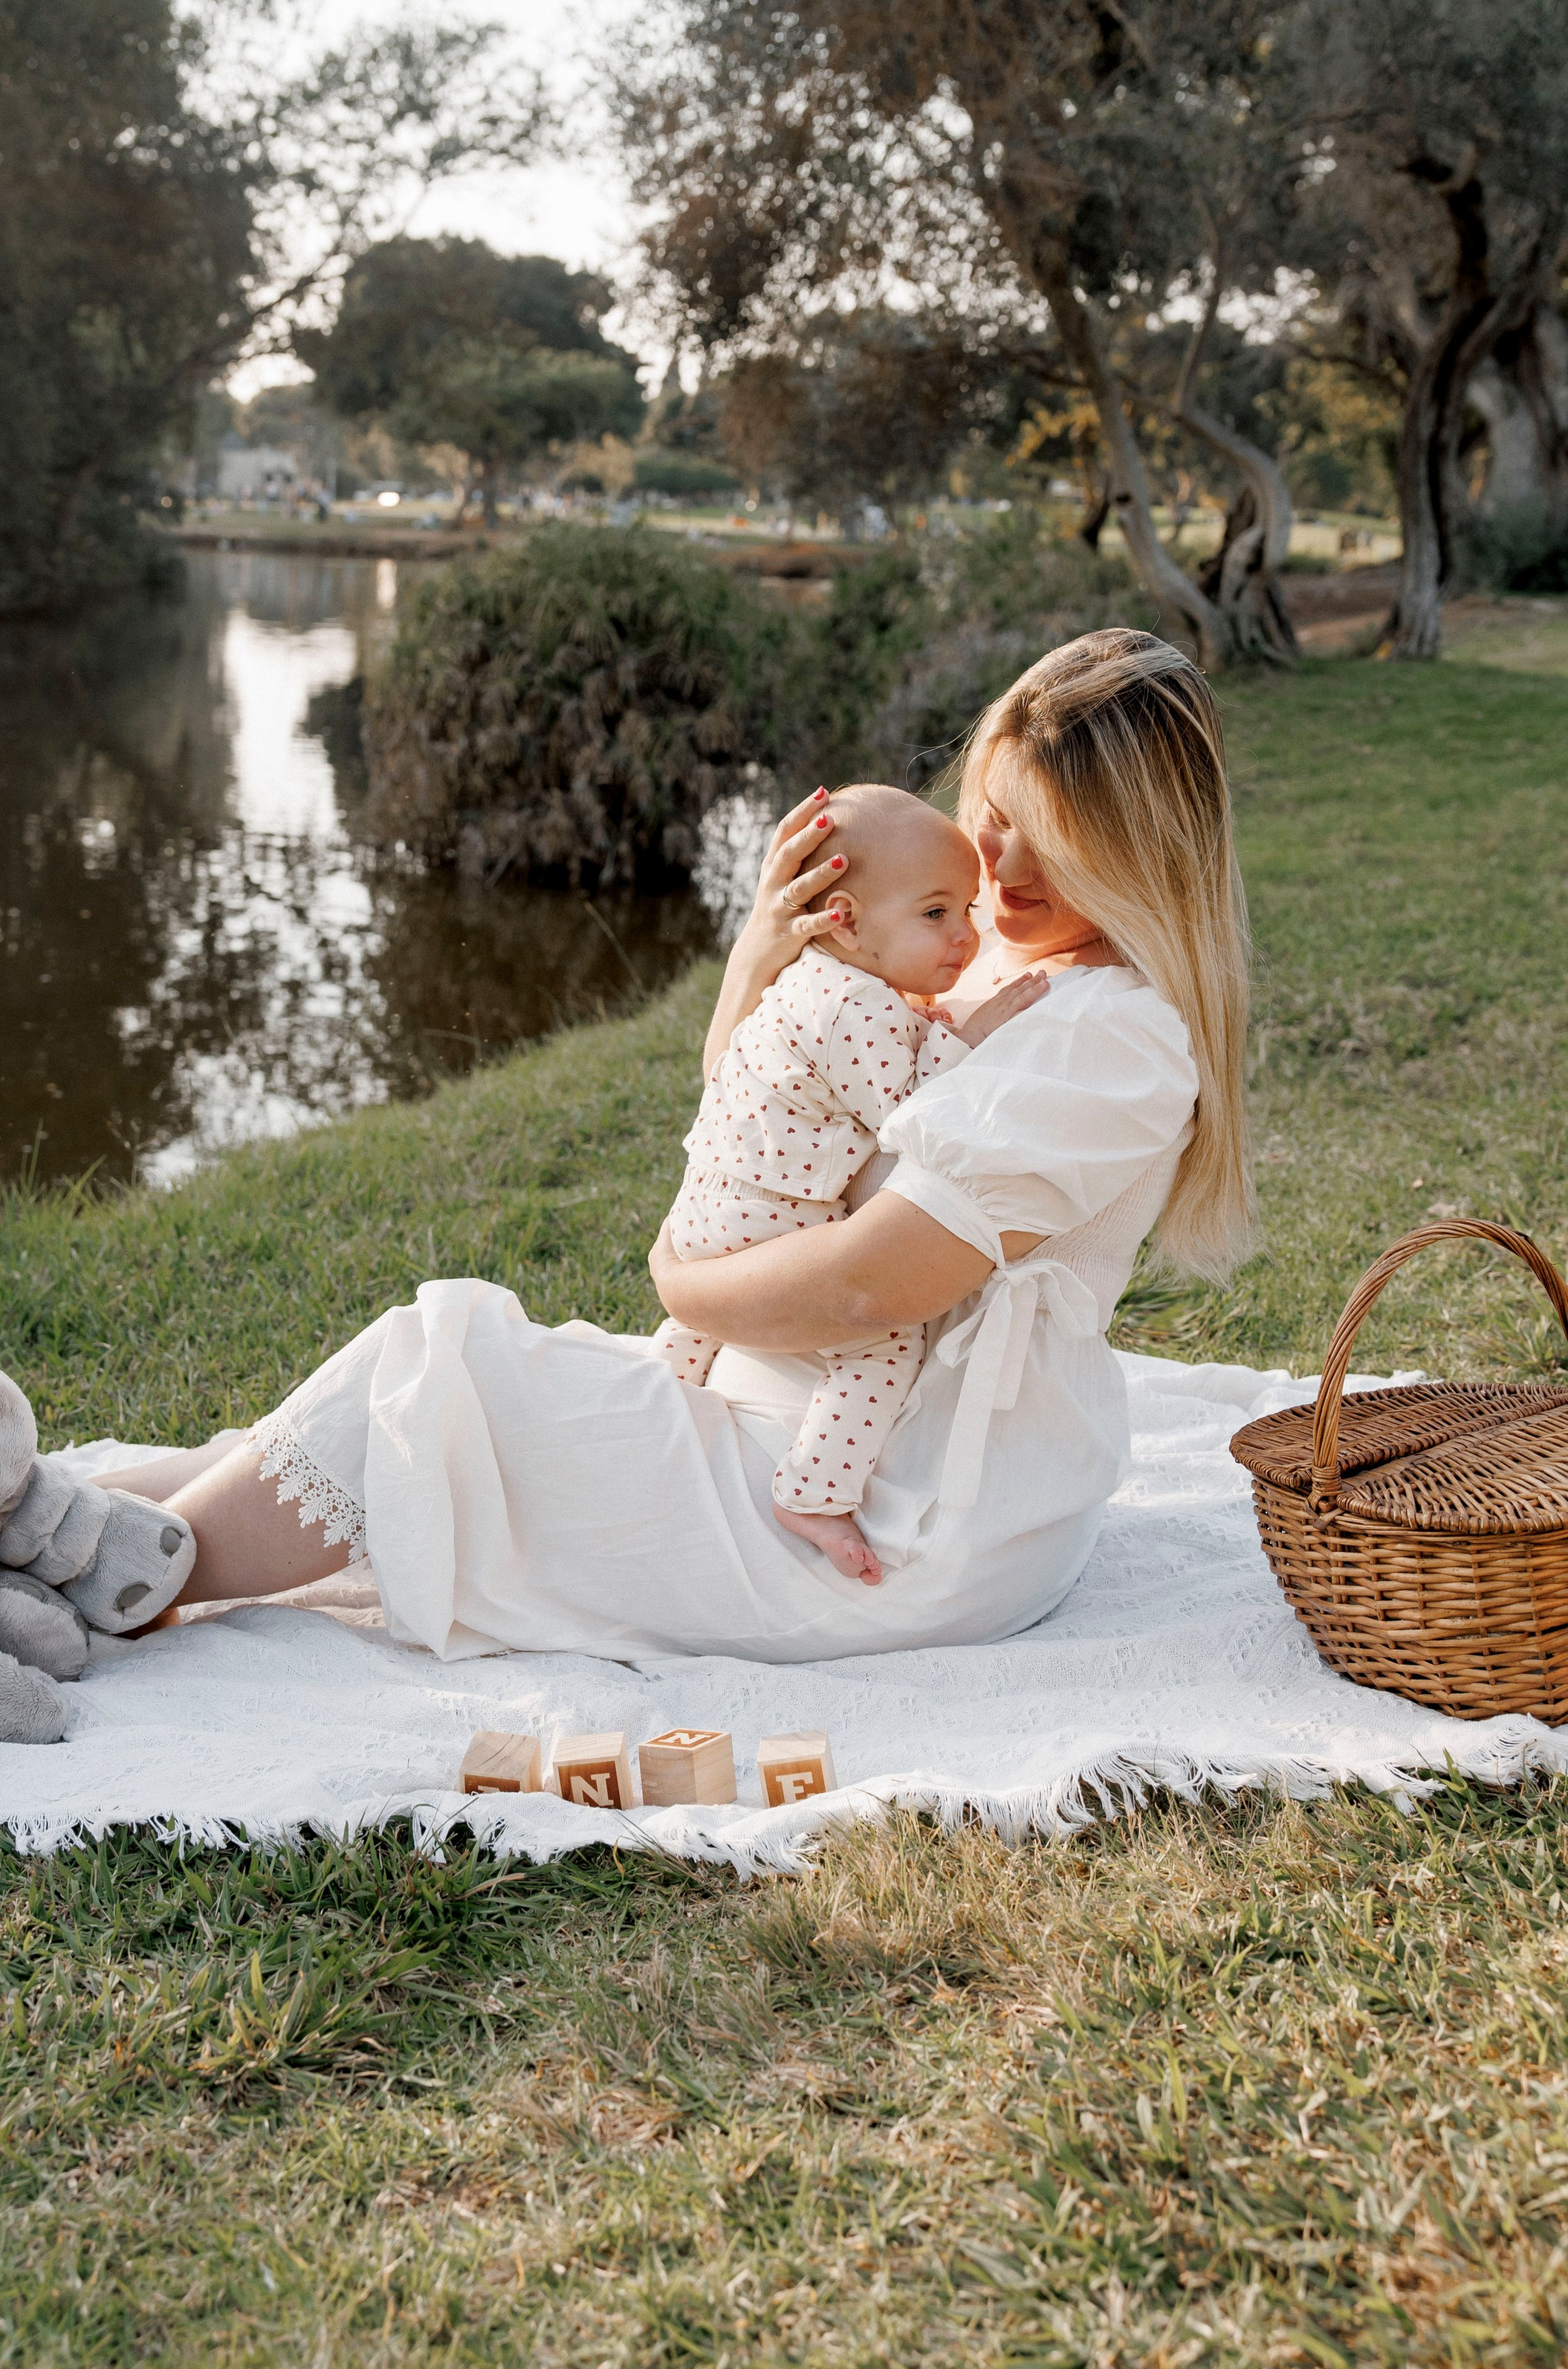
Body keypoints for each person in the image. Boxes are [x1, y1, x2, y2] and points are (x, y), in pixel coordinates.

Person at [100, 629, 1253, 1662]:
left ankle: (97, 1589)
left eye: (1056, 843)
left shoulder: (1108, 1036)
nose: (1005, 869)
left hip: (893, 1508)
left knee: (442, 1376)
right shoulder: (986, 950)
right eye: (997, 818)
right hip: (801, 1412)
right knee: (393, 1406)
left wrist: (682, 1284)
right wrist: (762, 957)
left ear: (1145, 853)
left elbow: (872, 1289)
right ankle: (66, 1527)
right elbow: (761, 1118)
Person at [651, 785, 1047, 1585]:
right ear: (845, 918)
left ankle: (656, 1404)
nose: (964, 936)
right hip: (772, 1218)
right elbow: (907, 1116)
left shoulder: (811, 981)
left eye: (966, 910)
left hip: (710, 1203)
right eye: (935, 913)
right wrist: (966, 1037)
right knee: (884, 1346)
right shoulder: (858, 1011)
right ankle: (815, 1493)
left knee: (696, 1328)